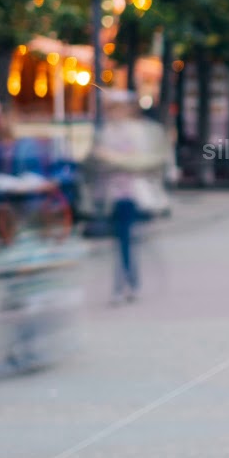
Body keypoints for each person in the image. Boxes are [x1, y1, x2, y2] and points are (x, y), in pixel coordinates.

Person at [89, 90, 169, 305]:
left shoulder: (146, 131)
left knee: (124, 240)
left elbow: (151, 161)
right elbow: (96, 160)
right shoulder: (105, 132)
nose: (116, 113)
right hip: (110, 195)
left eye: (120, 108)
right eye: (113, 108)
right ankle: (128, 282)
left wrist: (115, 159)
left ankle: (125, 284)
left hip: (135, 194)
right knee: (123, 241)